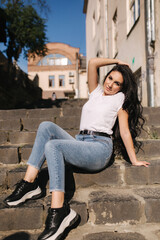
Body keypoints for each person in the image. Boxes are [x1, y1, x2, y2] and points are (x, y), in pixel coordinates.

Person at [4, 58, 150, 240]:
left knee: (53, 146)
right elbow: (93, 63)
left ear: (122, 87)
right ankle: (30, 183)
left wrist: (134, 160)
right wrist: (117, 61)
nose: (111, 84)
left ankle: (59, 211)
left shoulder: (120, 100)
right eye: (110, 78)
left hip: (99, 148)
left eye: (117, 83)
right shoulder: (95, 92)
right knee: (45, 126)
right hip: (81, 141)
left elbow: (126, 132)